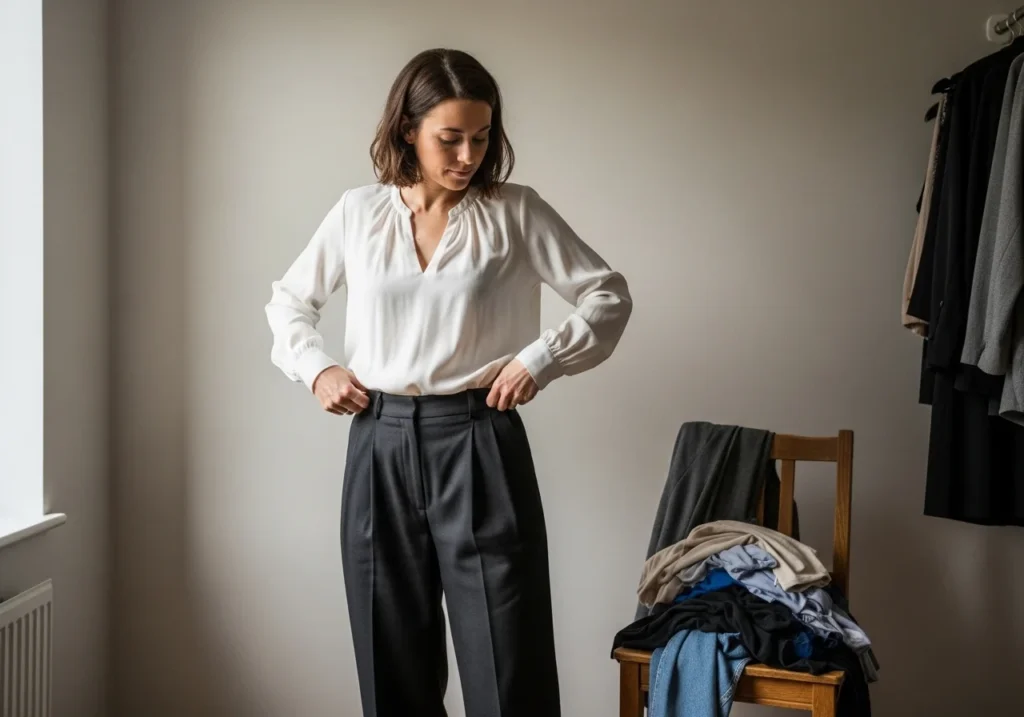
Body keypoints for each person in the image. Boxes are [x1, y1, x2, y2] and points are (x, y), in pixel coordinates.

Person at [265, 48, 632, 717]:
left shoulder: (515, 212)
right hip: (379, 441)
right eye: (450, 138)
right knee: (391, 654)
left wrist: (540, 359)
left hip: (480, 439)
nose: (468, 155)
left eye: (482, 136)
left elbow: (608, 296)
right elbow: (289, 300)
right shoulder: (357, 214)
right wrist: (317, 367)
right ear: (408, 129)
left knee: (507, 658)